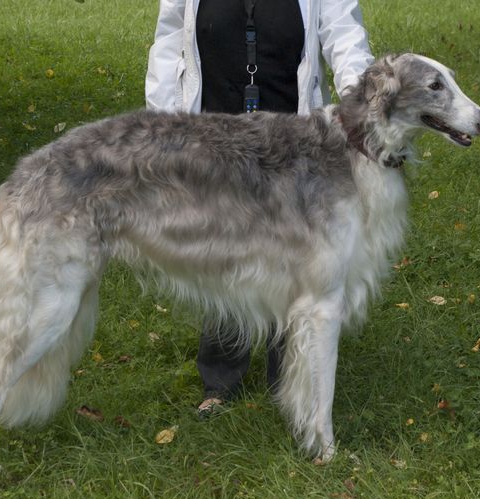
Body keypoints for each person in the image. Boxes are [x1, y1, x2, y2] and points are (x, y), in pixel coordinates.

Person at [145, 0, 373, 416]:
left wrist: (363, 105)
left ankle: (285, 377)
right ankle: (220, 380)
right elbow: (170, 40)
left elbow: (344, 34)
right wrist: (162, 128)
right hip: (213, 131)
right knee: (222, 251)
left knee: (291, 255)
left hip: (292, 137)